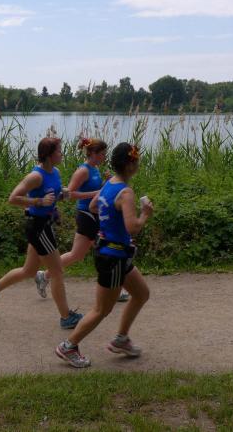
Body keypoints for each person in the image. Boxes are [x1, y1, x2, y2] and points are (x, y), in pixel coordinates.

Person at [55, 142, 153, 368]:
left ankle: (121, 339)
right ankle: (68, 346)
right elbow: (133, 228)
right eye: (137, 161)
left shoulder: (110, 183)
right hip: (113, 257)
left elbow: (92, 206)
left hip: (115, 253)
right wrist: (145, 214)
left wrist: (110, 221)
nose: (138, 164)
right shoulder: (126, 192)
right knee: (102, 309)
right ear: (130, 165)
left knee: (141, 294)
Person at [0, 137, 83, 329]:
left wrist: (62, 195)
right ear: (49, 155)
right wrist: (38, 202)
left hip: (44, 224)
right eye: (59, 151)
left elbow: (53, 195)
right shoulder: (36, 176)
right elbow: (13, 198)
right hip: (38, 227)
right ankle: (66, 317)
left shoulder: (56, 172)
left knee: (29, 271)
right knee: (57, 272)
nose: (62, 153)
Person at [34, 137, 130, 302]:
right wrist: (96, 193)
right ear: (92, 153)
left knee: (76, 255)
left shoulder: (95, 168)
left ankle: (44, 275)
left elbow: (97, 190)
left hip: (94, 214)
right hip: (86, 215)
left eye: (105, 154)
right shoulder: (83, 171)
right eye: (102, 154)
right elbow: (69, 194)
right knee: (106, 249)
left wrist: (106, 183)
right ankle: (114, 288)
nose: (104, 157)